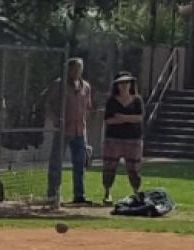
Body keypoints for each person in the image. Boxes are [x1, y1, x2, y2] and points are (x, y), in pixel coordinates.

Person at [43, 57, 95, 204]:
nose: (78, 71)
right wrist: (54, 119)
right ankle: (53, 194)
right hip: (63, 130)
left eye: (80, 68)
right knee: (56, 163)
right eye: (75, 68)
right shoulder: (59, 84)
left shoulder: (86, 86)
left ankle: (79, 195)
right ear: (69, 69)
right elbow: (48, 103)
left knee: (80, 164)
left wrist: (86, 125)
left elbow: (88, 107)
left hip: (80, 131)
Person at [101, 71, 145, 204]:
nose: (124, 85)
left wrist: (123, 117)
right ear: (117, 85)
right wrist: (128, 119)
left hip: (133, 140)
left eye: (127, 82)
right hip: (114, 139)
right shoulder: (112, 101)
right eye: (121, 83)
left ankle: (136, 192)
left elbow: (139, 117)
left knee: (134, 167)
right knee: (109, 166)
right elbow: (109, 120)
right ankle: (107, 192)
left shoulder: (137, 100)